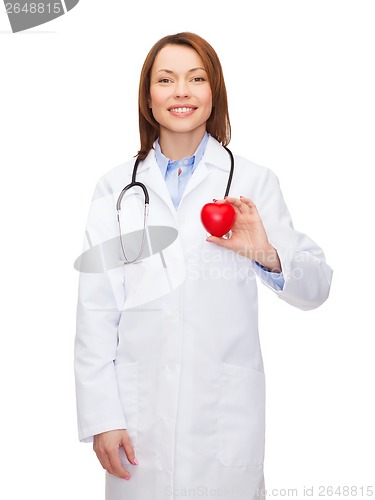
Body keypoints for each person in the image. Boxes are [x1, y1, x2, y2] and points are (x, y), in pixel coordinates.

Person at [74, 32, 333, 500]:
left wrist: (266, 254)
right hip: (138, 419)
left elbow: (317, 286)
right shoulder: (116, 190)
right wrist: (103, 417)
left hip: (222, 417)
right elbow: (96, 311)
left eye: (196, 78)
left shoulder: (252, 181)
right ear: (148, 98)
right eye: (166, 80)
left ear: (214, 94)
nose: (181, 91)